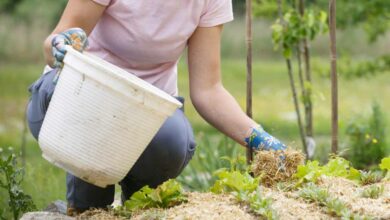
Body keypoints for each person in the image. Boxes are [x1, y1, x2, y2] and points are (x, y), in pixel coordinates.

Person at [27, 0, 287, 215]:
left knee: (173, 141)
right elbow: (52, 44)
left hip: (145, 112)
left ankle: (137, 205)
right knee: (92, 199)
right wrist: (61, 46)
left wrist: (259, 138)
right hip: (77, 96)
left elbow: (209, 91)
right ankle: (86, 207)